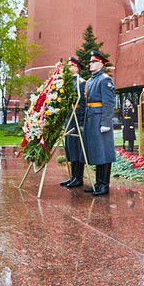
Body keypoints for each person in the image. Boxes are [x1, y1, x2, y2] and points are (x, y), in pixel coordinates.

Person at [82, 51, 117, 196]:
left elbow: (108, 103)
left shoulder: (104, 80)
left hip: (100, 120)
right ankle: (98, 183)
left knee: (104, 152)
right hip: (91, 119)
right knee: (97, 152)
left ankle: (104, 185)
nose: (90, 64)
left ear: (101, 64)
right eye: (90, 62)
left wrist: (106, 123)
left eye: (93, 62)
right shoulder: (90, 81)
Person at [59, 57, 87, 188]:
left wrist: (81, 123)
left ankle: (78, 178)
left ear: (77, 68)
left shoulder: (81, 83)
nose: (68, 68)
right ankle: (72, 177)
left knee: (77, 148)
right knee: (70, 148)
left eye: (71, 66)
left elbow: (83, 104)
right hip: (69, 118)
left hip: (76, 119)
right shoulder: (67, 82)